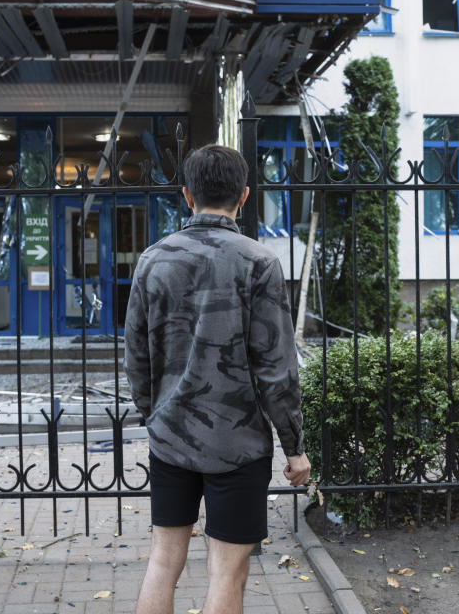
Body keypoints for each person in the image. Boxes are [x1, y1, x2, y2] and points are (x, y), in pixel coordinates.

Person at [124, 144, 311, 614]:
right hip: (238, 441)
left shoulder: (152, 260)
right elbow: (277, 364)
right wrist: (294, 446)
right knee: (227, 571)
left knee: (163, 561)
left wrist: (156, 415)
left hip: (170, 437)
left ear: (187, 195)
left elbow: (136, 355)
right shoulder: (259, 262)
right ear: (244, 196)